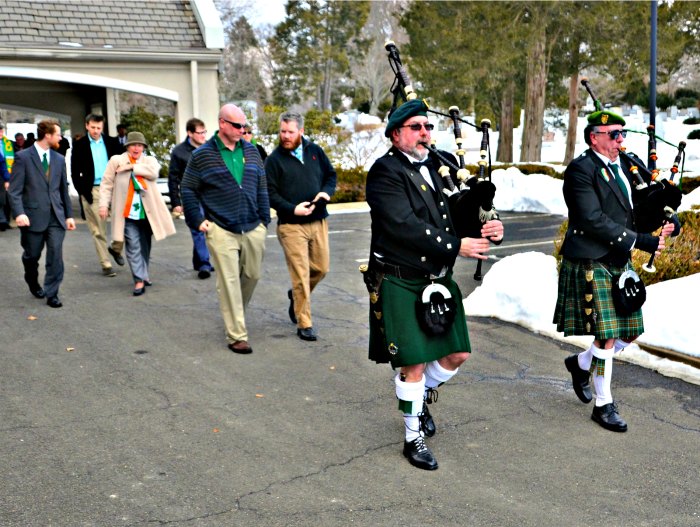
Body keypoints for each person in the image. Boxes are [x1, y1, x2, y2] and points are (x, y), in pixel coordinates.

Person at [365, 99, 504, 470]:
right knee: (413, 363)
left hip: (437, 280)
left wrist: (490, 225)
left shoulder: (443, 165)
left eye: (427, 126)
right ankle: (413, 438)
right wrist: (456, 245)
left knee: (457, 354)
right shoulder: (384, 173)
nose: (425, 133)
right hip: (401, 277)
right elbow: (402, 225)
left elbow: (461, 212)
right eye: (416, 127)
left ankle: (421, 395)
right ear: (396, 135)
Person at [554, 108, 675, 433]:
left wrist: (663, 209)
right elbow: (592, 219)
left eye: (623, 134)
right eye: (614, 135)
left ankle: (580, 364)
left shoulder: (622, 164)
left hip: (617, 257)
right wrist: (642, 241)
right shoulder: (581, 170)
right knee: (606, 337)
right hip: (591, 258)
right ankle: (603, 404)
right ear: (595, 137)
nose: (620, 140)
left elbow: (629, 209)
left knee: (630, 331)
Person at [181, 103, 270, 354]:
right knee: (229, 282)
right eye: (237, 125)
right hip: (220, 228)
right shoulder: (202, 155)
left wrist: (264, 220)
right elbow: (188, 188)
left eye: (244, 125)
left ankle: (235, 313)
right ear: (222, 124)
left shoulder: (252, 152)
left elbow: (262, 186)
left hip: (253, 226)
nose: (243, 129)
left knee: (252, 276)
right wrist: (197, 220)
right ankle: (237, 335)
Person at [265, 111, 336, 341]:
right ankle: (304, 323)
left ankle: (296, 296)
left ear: (301, 131)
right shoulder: (274, 160)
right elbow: (270, 194)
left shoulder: (315, 151)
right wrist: (292, 208)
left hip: (318, 221)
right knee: (301, 274)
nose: (285, 136)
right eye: (282, 131)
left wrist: (326, 192)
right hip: (291, 225)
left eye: (290, 132)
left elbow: (330, 175)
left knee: (321, 268)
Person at [8, 119, 76, 307]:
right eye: (58, 134)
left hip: (56, 216)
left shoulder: (59, 159)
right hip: (32, 217)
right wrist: (19, 213)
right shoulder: (23, 157)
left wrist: (69, 215)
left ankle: (52, 293)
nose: (60, 137)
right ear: (47, 135)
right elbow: (14, 191)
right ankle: (32, 280)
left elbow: (63, 190)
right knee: (32, 255)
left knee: (55, 255)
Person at [99, 132, 176, 296]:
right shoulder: (116, 161)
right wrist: (103, 205)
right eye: (133, 145)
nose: (136, 148)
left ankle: (144, 274)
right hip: (126, 213)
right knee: (133, 246)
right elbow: (106, 184)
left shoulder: (149, 161)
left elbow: (153, 173)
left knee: (144, 246)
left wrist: (132, 167)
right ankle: (139, 280)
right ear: (127, 146)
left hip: (147, 213)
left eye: (140, 145)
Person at [71, 113, 125, 277]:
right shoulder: (80, 145)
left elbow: (124, 160)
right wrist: (84, 193)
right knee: (98, 229)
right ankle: (106, 263)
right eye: (93, 127)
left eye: (99, 128)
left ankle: (115, 248)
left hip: (113, 187)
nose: (95, 131)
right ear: (87, 126)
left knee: (122, 222)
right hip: (92, 189)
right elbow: (74, 172)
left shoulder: (112, 142)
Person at [168, 117, 213, 279]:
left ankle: (198, 260)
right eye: (199, 133)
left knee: (207, 229)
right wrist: (176, 202)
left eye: (204, 132)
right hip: (191, 196)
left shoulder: (209, 147)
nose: (203, 135)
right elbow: (173, 178)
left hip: (209, 195)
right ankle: (204, 264)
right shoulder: (179, 152)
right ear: (189, 133)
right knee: (197, 229)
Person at [1, 123, 15, 229]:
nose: (1, 133)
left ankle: (5, 221)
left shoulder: (8, 143)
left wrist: (7, 178)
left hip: (7, 173)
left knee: (6, 199)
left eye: (2, 131)